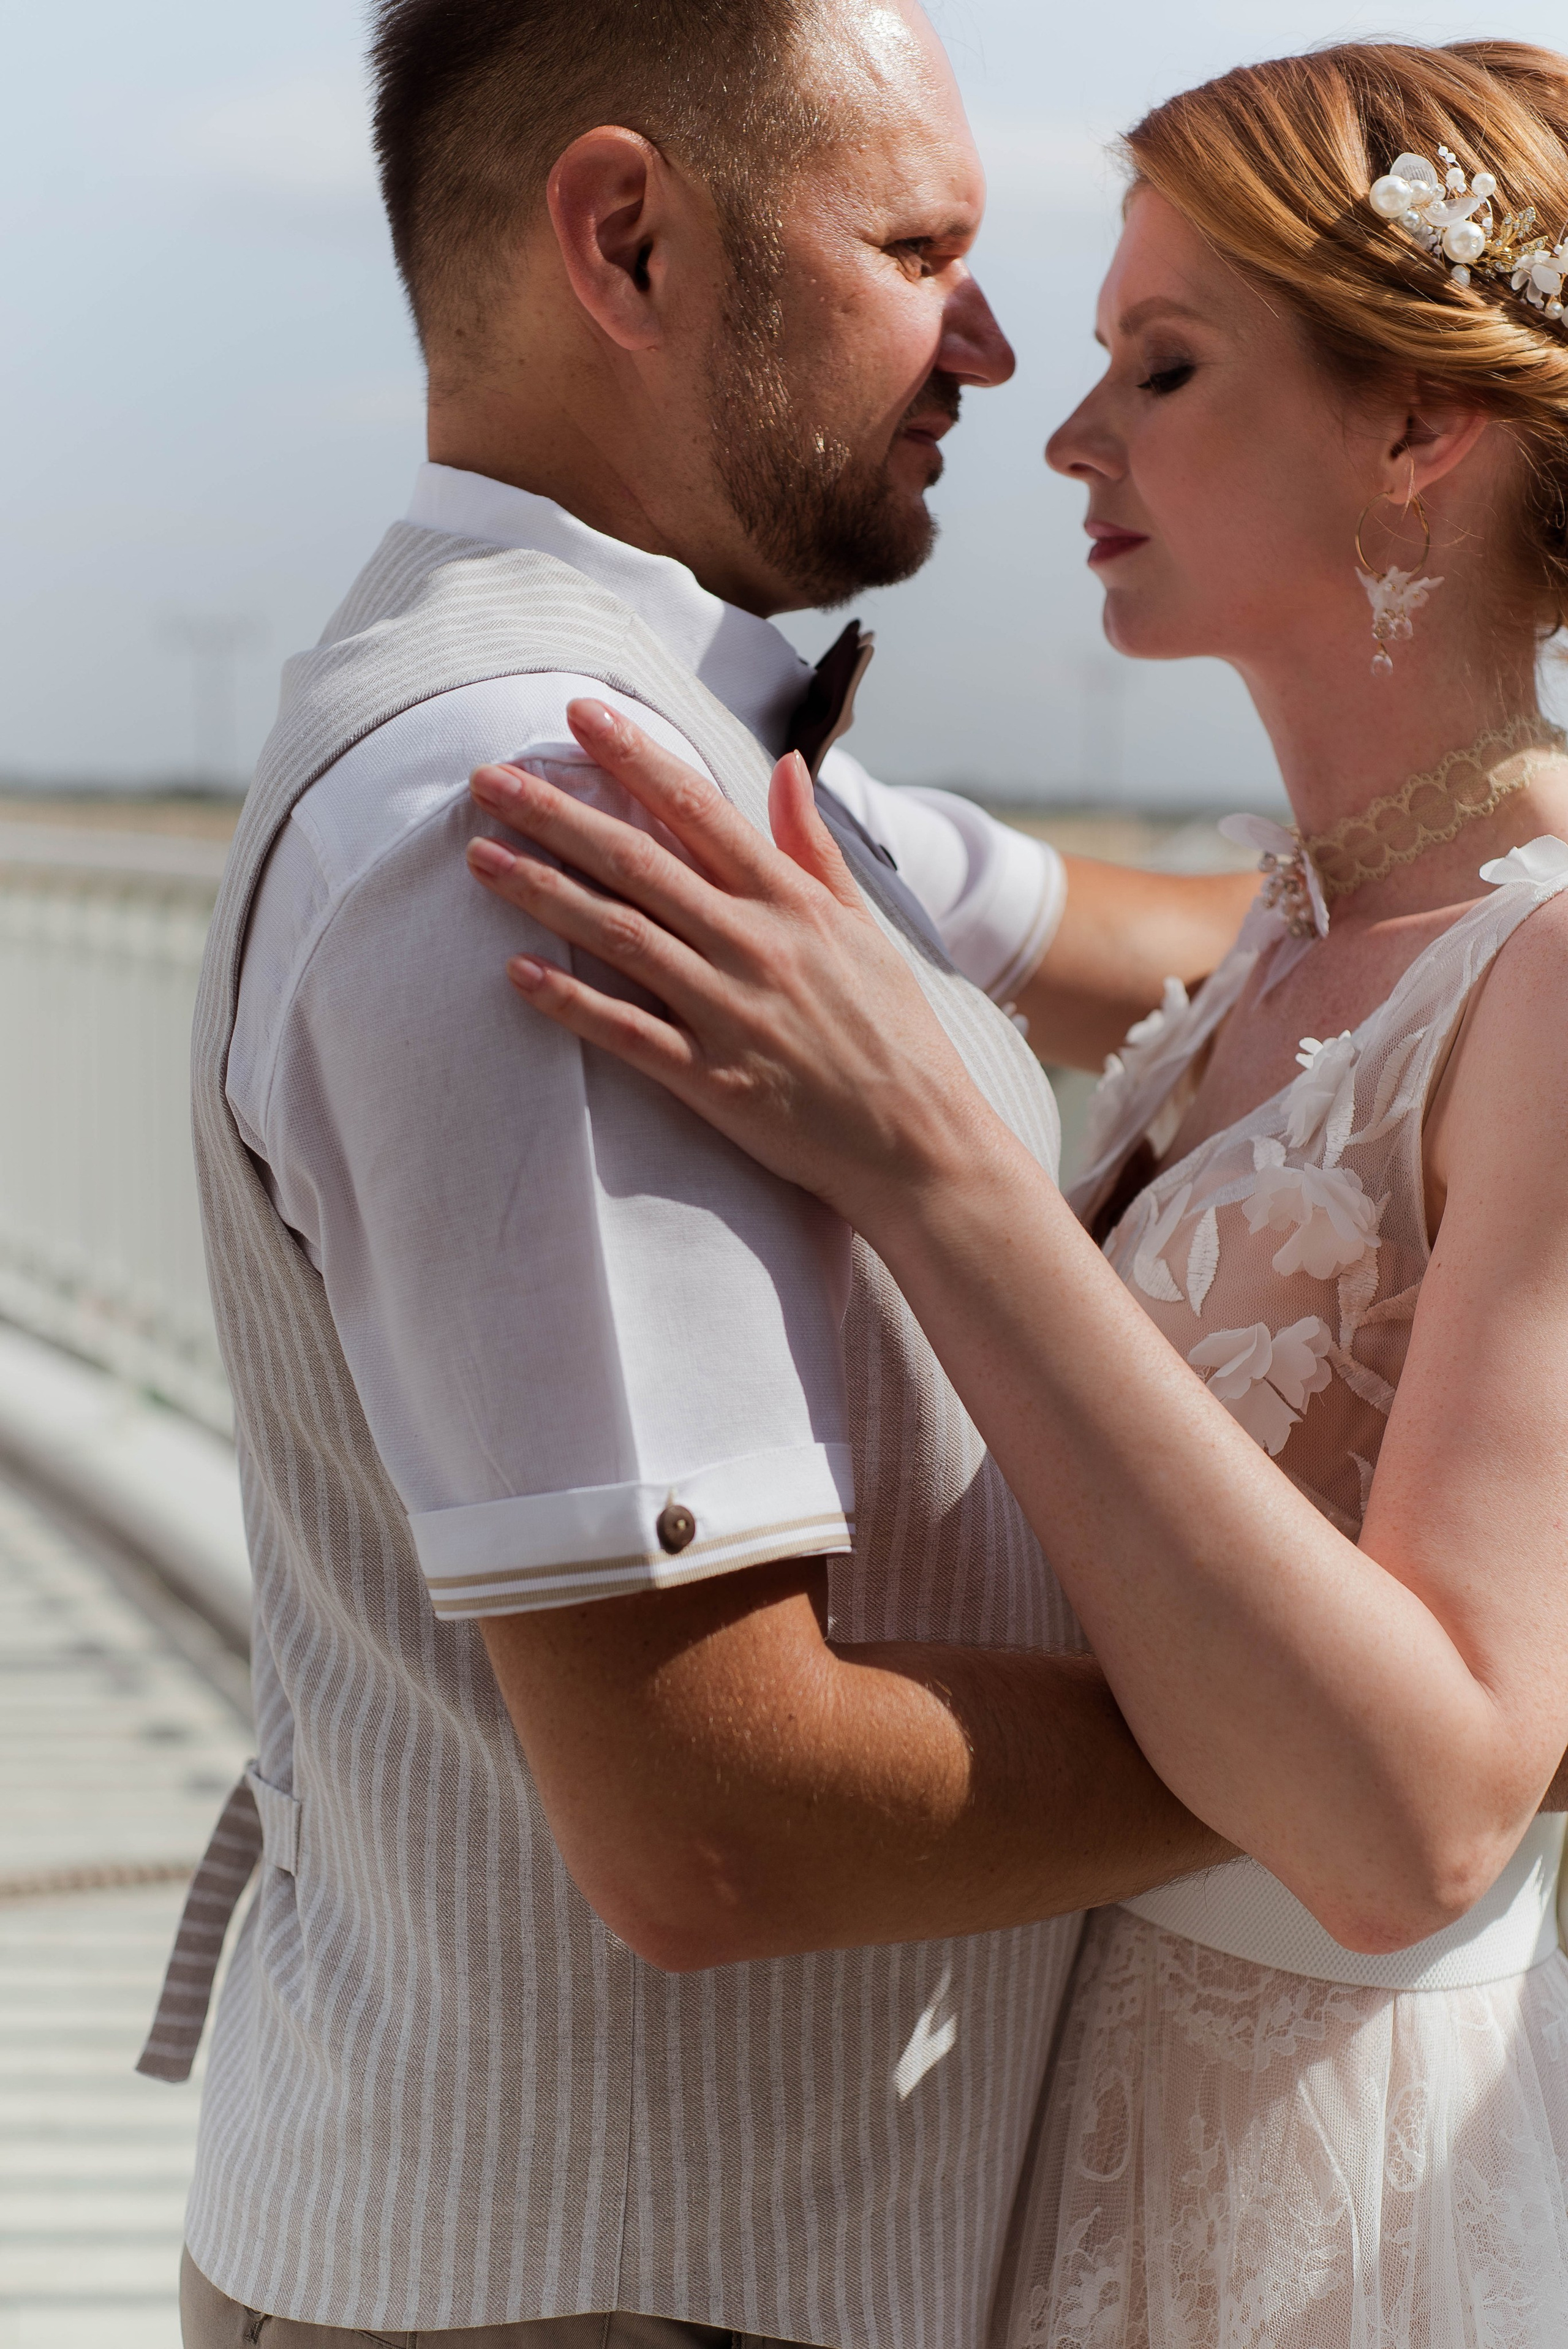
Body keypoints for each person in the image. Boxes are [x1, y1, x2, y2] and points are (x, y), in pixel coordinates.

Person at [142, 6, 1256, 2347]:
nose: (990, 342)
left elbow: (1179, 934)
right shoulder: (537, 819)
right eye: (917, 249)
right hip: (603, 2298)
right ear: (632, 242)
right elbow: (714, 1821)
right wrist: (1386, 1733)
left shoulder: (686, 745)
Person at [462, 37, 1568, 2348]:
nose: (1068, 437)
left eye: (1161, 367)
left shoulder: (1553, 974)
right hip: (1061, 2150)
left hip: (1327, 2216)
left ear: (1414, 430)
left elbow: (1425, 1814)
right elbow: (914, 873)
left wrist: (940, 1167)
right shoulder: (1285, 930)